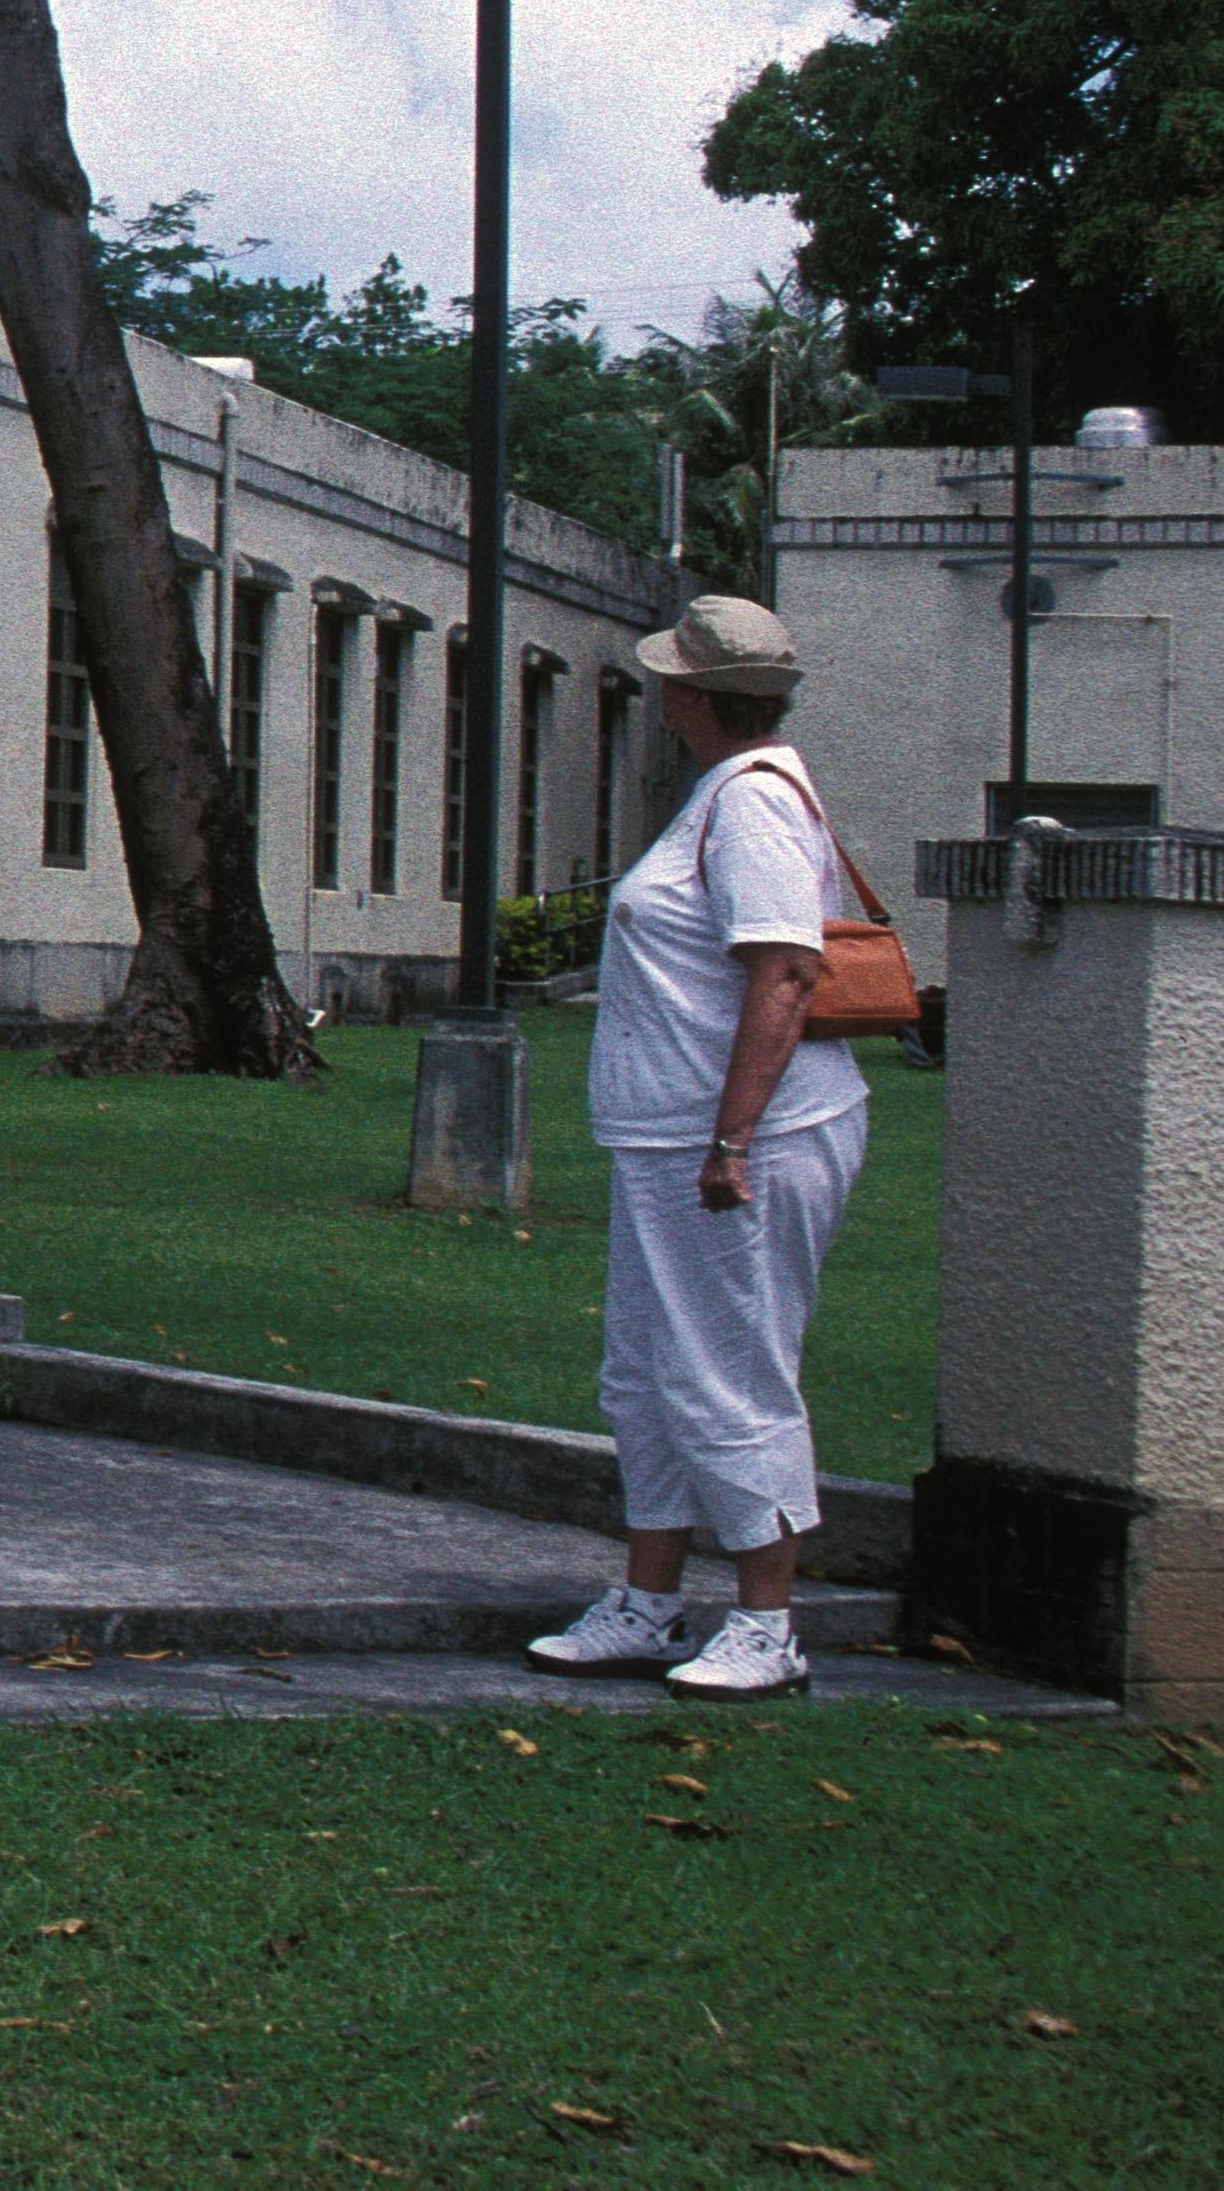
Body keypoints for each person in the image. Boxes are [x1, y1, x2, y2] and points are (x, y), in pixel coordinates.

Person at [524, 592, 874, 1700]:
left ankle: (768, 1620)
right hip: (673, 1136)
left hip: (737, 1141)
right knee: (646, 1371)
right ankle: (650, 1596)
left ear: (688, 694)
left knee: (733, 1369)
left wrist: (732, 1138)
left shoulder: (756, 805)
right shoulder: (720, 794)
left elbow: (785, 971)